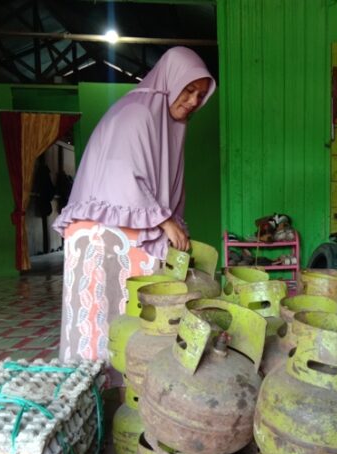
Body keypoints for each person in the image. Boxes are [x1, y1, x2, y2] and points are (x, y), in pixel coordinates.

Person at [53, 47, 215, 371]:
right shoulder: (138, 113)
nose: (194, 101)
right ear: (171, 81)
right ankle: (93, 388)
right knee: (103, 321)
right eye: (188, 90)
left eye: (200, 95)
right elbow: (121, 174)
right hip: (102, 233)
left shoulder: (167, 125)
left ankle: (124, 383)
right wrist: (165, 220)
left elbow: (162, 188)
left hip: (125, 230)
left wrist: (169, 222)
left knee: (128, 320)